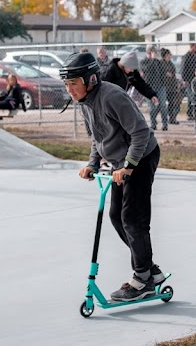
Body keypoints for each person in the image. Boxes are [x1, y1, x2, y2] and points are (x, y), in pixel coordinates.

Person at [61, 52, 164, 302]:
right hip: (120, 163)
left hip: (140, 157)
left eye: (74, 83)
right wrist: (92, 163)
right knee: (116, 216)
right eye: (67, 84)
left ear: (91, 79)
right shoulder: (86, 101)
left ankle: (142, 281)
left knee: (132, 218)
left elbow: (140, 132)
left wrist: (128, 167)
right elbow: (99, 137)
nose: (70, 90)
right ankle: (150, 271)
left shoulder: (112, 96)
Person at [162, 49, 182, 125]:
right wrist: (165, 73)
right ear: (165, 55)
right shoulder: (161, 63)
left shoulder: (171, 63)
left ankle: (172, 118)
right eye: (169, 54)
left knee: (172, 103)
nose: (170, 56)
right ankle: (157, 119)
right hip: (164, 86)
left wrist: (177, 84)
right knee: (161, 104)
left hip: (172, 86)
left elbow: (173, 74)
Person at [179, 42, 196, 123]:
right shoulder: (186, 56)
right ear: (192, 47)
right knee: (192, 96)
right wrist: (185, 80)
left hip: (194, 79)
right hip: (188, 79)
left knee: (191, 97)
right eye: (195, 47)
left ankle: (190, 113)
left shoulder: (195, 55)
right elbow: (183, 69)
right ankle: (192, 113)